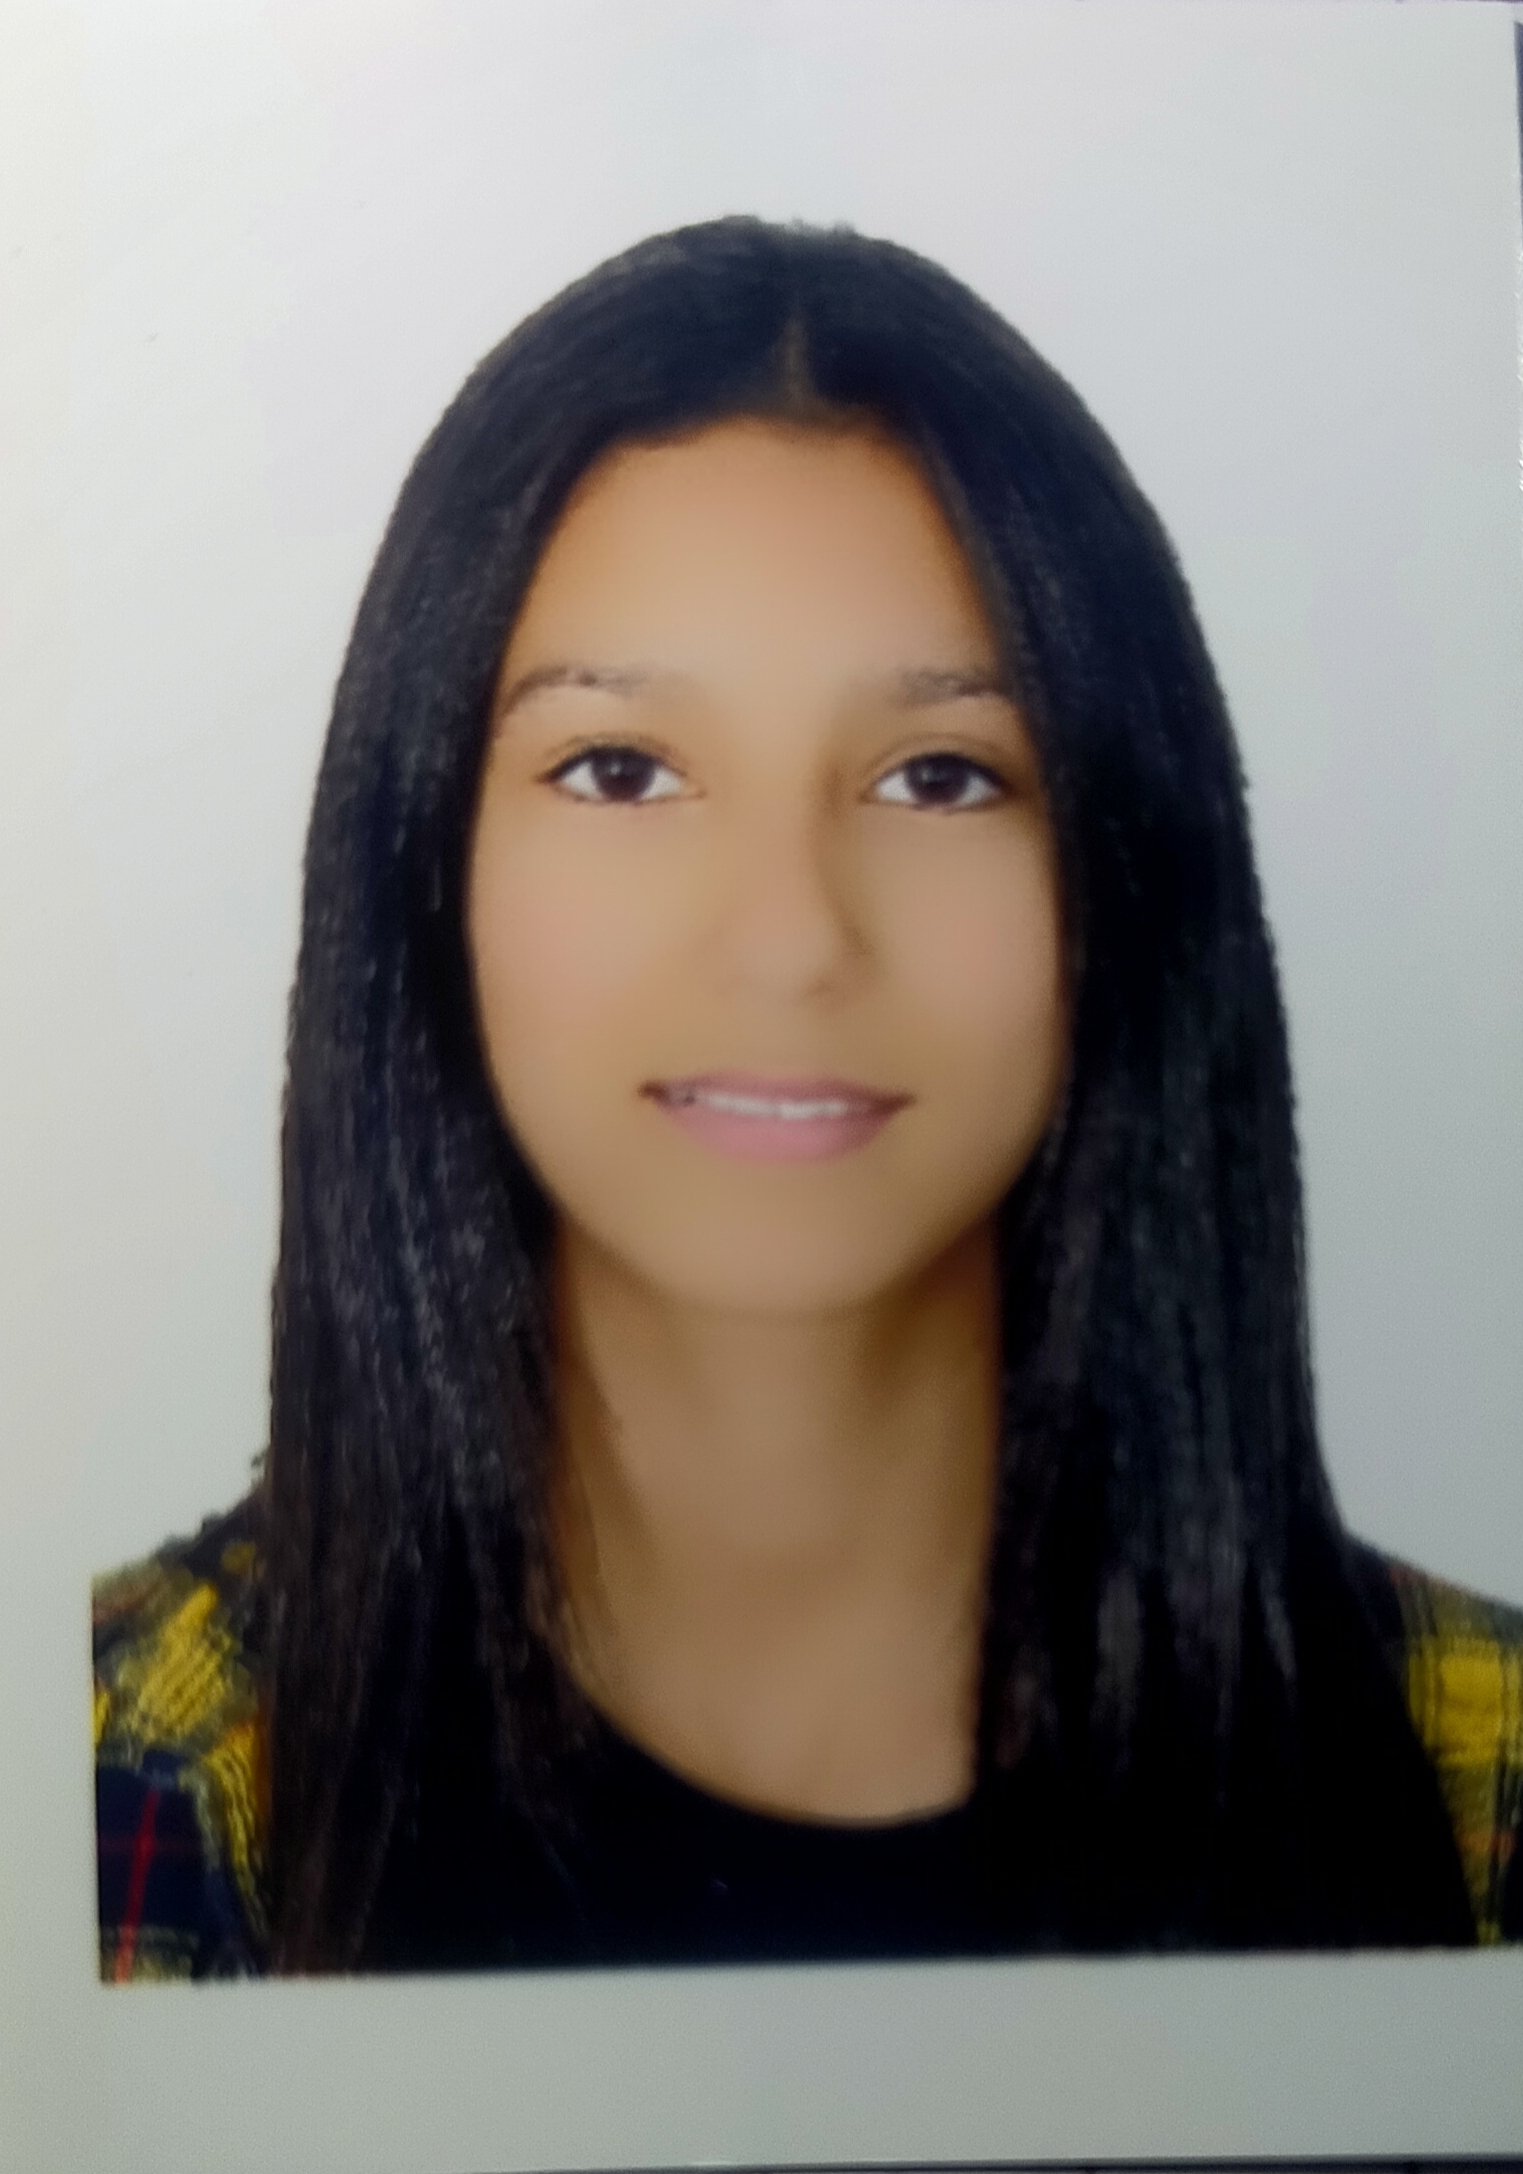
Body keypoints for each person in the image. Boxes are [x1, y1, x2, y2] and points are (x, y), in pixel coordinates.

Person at [92, 217, 1523, 1981]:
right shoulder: (118, 1787)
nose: (789, 937)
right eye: (621, 769)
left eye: (940, 777)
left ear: (1130, 872)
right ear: (427, 864)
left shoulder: (1487, 1797)